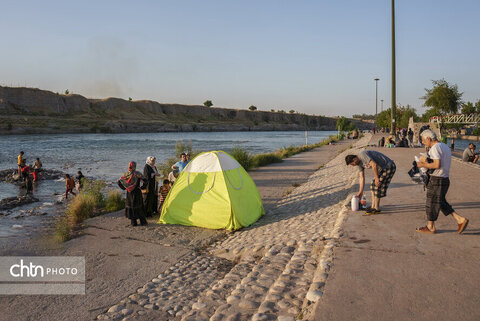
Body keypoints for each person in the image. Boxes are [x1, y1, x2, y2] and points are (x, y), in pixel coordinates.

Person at [415, 129, 469, 234]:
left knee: (431, 203)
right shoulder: (444, 146)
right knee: (440, 202)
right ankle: (460, 220)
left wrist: (422, 164)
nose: (422, 142)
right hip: (444, 179)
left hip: (437, 179)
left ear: (428, 138)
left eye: (423, 140)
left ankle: (430, 227)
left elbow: (436, 165)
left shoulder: (435, 148)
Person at [345, 150, 396, 215]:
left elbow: (374, 165)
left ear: (354, 159)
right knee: (372, 184)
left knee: (377, 185)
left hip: (389, 166)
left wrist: (377, 178)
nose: (353, 166)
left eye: (352, 164)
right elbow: (361, 178)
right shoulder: (359, 164)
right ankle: (373, 206)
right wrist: (360, 192)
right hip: (382, 169)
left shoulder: (362, 155)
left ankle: (376, 208)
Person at [118, 161, 148, 226]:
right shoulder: (138, 173)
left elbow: (119, 181)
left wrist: (125, 188)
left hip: (129, 193)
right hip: (137, 192)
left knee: (131, 206)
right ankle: (143, 221)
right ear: (135, 166)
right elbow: (145, 180)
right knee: (139, 206)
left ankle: (133, 222)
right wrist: (142, 187)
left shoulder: (126, 174)